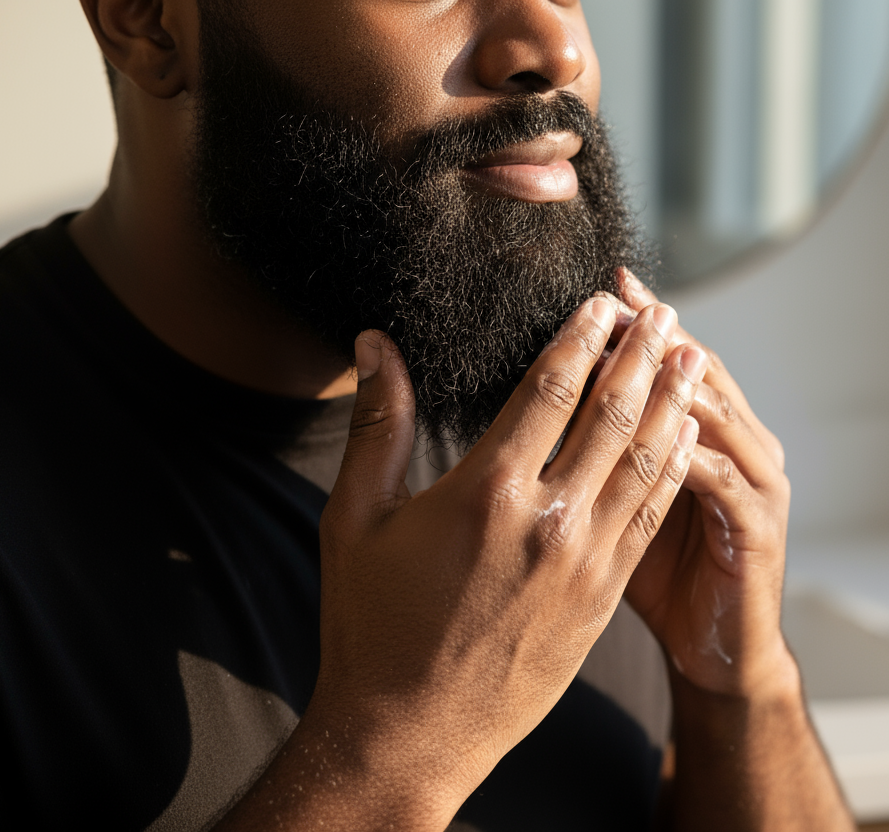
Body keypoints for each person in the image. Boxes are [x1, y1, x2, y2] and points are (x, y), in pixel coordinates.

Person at [0, 1, 856, 829]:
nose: (553, 46)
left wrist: (740, 689)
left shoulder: (567, 424)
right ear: (144, 18)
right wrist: (401, 744)